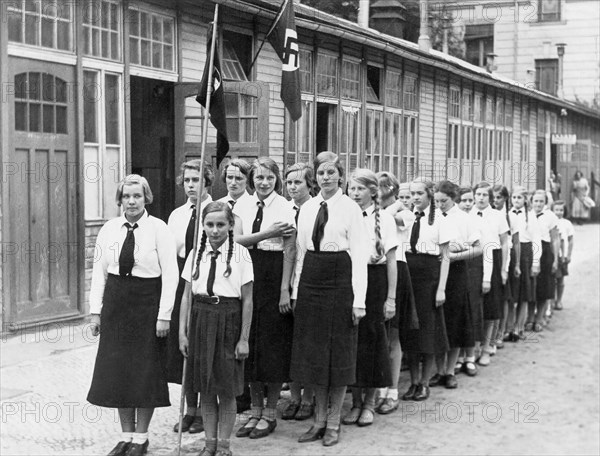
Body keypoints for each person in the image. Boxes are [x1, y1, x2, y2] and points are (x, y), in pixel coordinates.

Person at [87, 174, 178, 456]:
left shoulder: (158, 229)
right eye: (126, 196)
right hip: (116, 305)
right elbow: (99, 274)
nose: (131, 201)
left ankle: (141, 438)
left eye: (137, 196)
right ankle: (125, 435)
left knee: (144, 371)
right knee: (119, 372)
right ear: (120, 199)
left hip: (146, 304)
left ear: (146, 198)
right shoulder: (109, 229)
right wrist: (95, 312)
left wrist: (164, 315)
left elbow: (171, 275)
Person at [291, 151, 370, 446]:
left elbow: (360, 255)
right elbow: (300, 253)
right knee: (314, 356)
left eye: (331, 172)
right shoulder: (309, 208)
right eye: (321, 173)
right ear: (316, 176)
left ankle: (334, 423)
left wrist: (359, 300)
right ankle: (319, 421)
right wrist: (297, 291)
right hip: (312, 278)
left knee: (336, 356)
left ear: (340, 175)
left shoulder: (350, 208)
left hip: (340, 279)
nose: (326, 177)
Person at [178, 202, 253, 456]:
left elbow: (248, 300)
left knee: (226, 388)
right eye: (209, 224)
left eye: (221, 224)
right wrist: (182, 332)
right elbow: (186, 297)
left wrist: (244, 339)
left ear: (230, 225)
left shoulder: (241, 254)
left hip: (228, 320)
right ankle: (209, 443)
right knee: (206, 388)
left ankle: (223, 445)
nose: (215, 230)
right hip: (200, 318)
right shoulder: (194, 255)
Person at [233, 157, 297, 440]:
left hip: (273, 273)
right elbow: (235, 241)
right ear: (252, 179)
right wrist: (268, 232)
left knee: (271, 345)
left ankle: (270, 412)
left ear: (276, 179)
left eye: (269, 178)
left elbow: (290, 250)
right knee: (252, 343)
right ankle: (255, 409)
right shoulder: (241, 205)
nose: (263, 182)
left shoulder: (285, 207)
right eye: (259, 177)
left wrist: (285, 288)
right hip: (248, 270)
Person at [342, 169, 397, 427]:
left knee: (373, 342)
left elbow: (392, 262)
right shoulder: (344, 215)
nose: (354, 194)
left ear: (373, 191)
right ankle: (354, 402)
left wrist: (391, 298)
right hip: (350, 282)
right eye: (351, 189)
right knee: (353, 342)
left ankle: (370, 402)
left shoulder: (385, 219)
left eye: (360, 189)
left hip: (375, 283)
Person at [166, 160, 214, 434]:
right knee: (184, 346)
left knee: (204, 349)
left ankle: (205, 413)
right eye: (187, 180)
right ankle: (189, 410)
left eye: (196, 180)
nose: (191, 185)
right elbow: (172, 254)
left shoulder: (219, 210)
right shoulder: (177, 215)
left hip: (208, 282)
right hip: (182, 283)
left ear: (207, 181)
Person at [401, 177, 451, 402]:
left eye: (420, 193)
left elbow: (446, 257)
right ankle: (412, 382)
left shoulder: (440, 219)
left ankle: (424, 382)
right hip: (409, 274)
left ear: (430, 194)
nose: (415, 198)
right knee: (411, 332)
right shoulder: (406, 216)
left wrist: (441, 288)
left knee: (428, 333)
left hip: (429, 276)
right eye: (412, 194)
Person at [432, 181, 481, 389]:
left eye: (444, 201)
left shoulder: (464, 219)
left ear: (454, 199)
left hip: (457, 273)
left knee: (453, 322)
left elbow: (479, 249)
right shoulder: (430, 217)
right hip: (434, 272)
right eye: (437, 201)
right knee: (436, 321)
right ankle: (438, 369)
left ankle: (450, 371)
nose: (440, 205)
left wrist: (455, 255)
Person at [376, 175, 417, 415]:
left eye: (383, 187)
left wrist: (392, 207)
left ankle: (391, 391)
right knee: (376, 333)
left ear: (392, 189)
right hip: (374, 270)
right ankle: (377, 387)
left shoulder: (405, 213)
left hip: (396, 270)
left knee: (393, 334)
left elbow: (394, 219)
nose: (378, 191)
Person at [282, 163, 316, 422]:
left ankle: (308, 397)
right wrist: (286, 287)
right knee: (291, 341)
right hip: (289, 280)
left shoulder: (316, 209)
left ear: (309, 184)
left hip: (312, 280)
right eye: (289, 182)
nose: (293, 187)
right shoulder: (285, 209)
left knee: (308, 342)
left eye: (298, 183)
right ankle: (294, 396)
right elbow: (288, 250)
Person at [472, 182, 510, 366]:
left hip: (493, 259)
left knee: (492, 307)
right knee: (474, 307)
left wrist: (503, 269)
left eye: (484, 195)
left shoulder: (498, 216)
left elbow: (504, 243)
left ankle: (487, 348)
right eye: (478, 194)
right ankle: (473, 350)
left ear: (490, 198)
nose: (480, 198)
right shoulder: (467, 214)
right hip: (473, 261)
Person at [507, 186, 541, 341]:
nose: (516, 201)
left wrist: (535, 262)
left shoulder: (531, 216)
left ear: (525, 200)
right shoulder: (507, 214)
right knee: (512, 293)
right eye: (514, 198)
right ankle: (509, 328)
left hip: (526, 253)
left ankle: (519, 328)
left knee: (524, 293)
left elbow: (536, 239)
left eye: (519, 198)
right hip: (511, 253)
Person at [492, 185, 521, 347]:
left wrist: (516, 264)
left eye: (499, 197)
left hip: (507, 258)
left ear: (505, 199)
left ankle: (501, 332)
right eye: (494, 197)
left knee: (505, 297)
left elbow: (515, 242)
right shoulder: (490, 215)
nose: (496, 201)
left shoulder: (511, 217)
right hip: (492, 257)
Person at [527, 190, 560, 332]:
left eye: (541, 201)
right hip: (530, 251)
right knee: (530, 287)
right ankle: (529, 317)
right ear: (531, 201)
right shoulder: (527, 215)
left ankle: (539, 317)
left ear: (545, 202)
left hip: (545, 252)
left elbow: (555, 238)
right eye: (536, 201)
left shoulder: (550, 216)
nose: (538, 204)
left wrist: (555, 260)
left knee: (543, 286)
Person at [552, 200, 574, 311]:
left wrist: (568, 254)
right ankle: (551, 302)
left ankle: (559, 300)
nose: (558, 212)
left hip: (563, 255)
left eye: (561, 210)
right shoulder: (551, 222)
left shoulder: (567, 223)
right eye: (556, 210)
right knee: (552, 279)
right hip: (553, 254)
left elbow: (570, 240)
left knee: (560, 279)